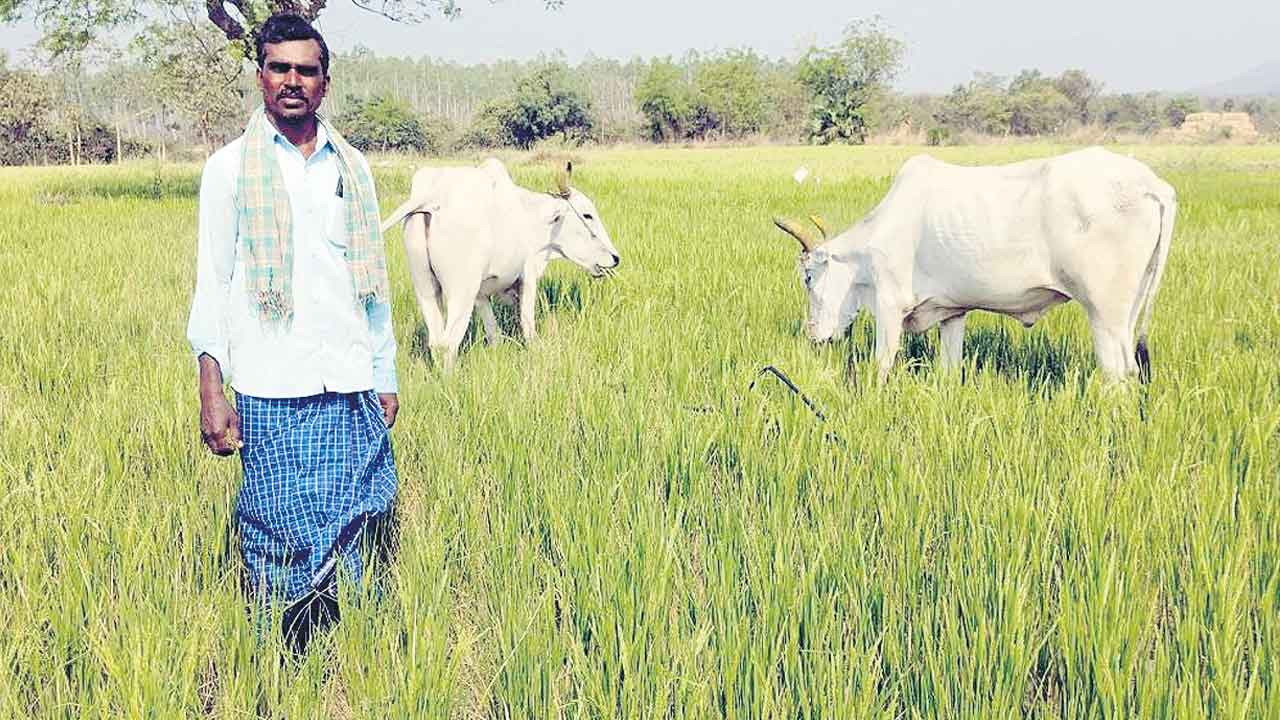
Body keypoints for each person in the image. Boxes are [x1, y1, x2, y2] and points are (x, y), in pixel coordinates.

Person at [186, 13, 399, 652]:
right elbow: (212, 281)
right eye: (280, 67)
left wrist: (384, 373)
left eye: (306, 70)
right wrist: (211, 386)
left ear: (324, 82)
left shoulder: (352, 169)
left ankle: (353, 656)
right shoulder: (228, 170)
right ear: (261, 76)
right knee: (277, 529)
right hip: (271, 383)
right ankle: (277, 660)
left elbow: (375, 286)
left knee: (356, 522)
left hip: (349, 380)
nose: (292, 81)